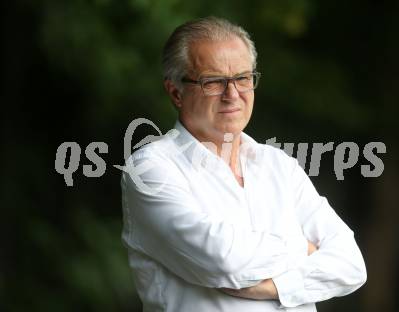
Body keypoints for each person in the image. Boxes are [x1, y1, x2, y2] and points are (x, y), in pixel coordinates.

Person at [121, 16, 367, 312]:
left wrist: (276, 287)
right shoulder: (151, 169)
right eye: (213, 81)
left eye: (242, 78)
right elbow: (221, 258)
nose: (232, 94)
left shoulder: (279, 166)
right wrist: (303, 248)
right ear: (176, 92)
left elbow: (351, 263)